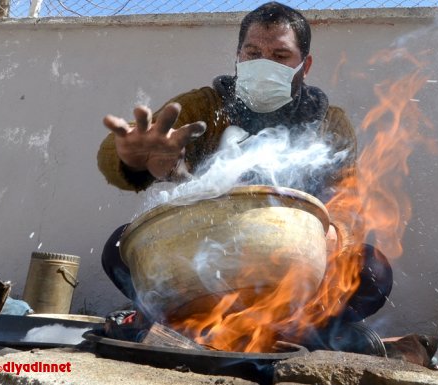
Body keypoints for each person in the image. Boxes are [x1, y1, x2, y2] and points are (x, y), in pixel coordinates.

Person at [97, 2, 391, 354]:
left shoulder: (329, 123)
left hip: (290, 265)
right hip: (203, 258)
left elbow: (348, 202)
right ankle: (265, 336)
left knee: (372, 271)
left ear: (305, 65)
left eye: (280, 55)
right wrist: (134, 159)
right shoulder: (205, 106)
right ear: (237, 56)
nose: (263, 64)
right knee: (120, 249)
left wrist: (334, 234)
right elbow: (137, 144)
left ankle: (246, 333)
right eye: (253, 53)